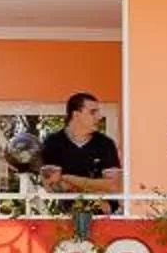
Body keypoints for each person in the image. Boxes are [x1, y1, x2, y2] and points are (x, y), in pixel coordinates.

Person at [34, 92, 124, 235]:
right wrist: (96, 188)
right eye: (93, 112)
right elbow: (52, 186)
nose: (99, 117)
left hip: (106, 218)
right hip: (65, 221)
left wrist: (68, 179)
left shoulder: (105, 143)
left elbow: (114, 185)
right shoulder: (53, 143)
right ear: (76, 115)